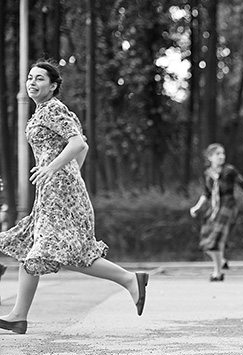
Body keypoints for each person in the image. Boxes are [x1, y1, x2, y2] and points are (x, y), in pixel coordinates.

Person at [0, 60, 148, 335]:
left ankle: (130, 280)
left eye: (40, 79)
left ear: (53, 86)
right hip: (56, 191)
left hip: (59, 194)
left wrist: (54, 170)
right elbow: (83, 146)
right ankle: (18, 316)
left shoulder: (53, 109)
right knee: (33, 249)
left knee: (66, 253)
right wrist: (67, 174)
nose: (32, 82)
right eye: (30, 78)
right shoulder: (45, 111)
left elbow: (78, 144)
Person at [190, 143, 243, 281]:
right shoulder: (208, 173)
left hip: (227, 207)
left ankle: (217, 273)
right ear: (210, 157)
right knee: (206, 239)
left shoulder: (229, 171)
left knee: (215, 241)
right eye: (217, 154)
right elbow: (206, 193)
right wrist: (197, 207)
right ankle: (222, 261)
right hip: (214, 209)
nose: (221, 156)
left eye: (223, 153)